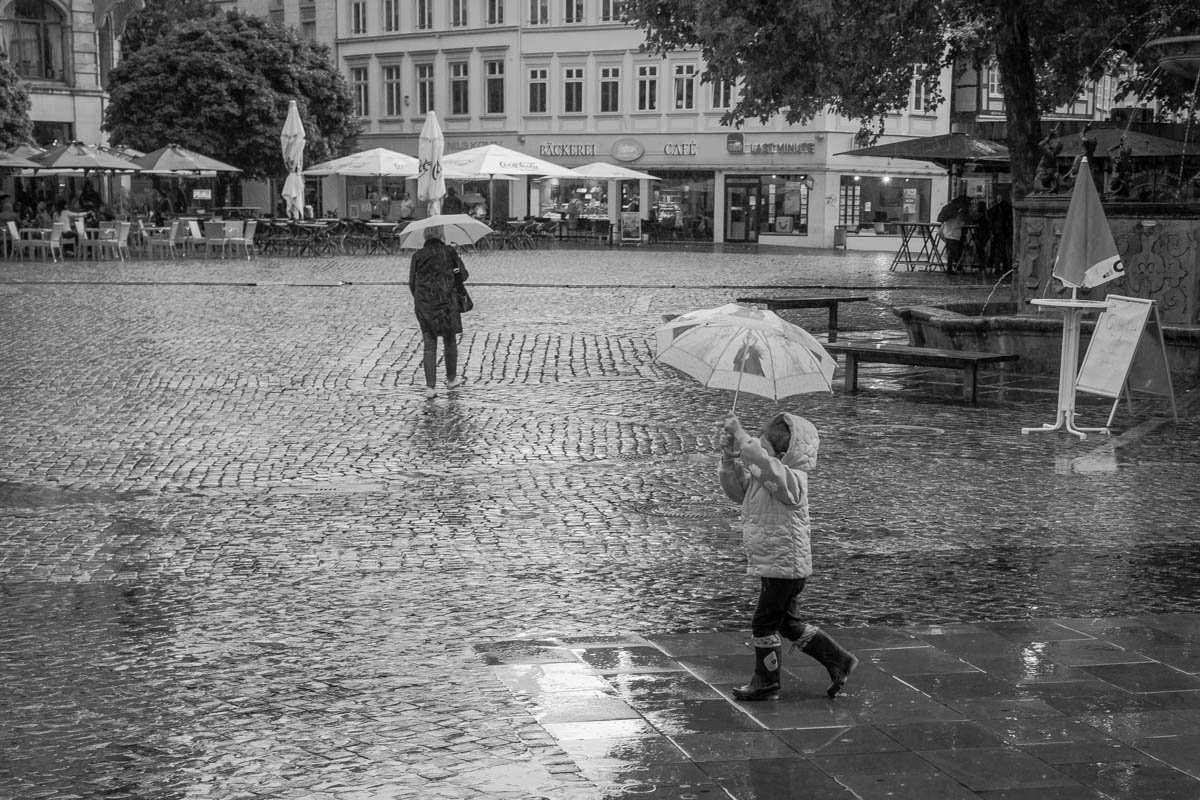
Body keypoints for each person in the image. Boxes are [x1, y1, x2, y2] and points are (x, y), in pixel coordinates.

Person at [718, 413, 858, 702]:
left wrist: (741, 436)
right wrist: (730, 460)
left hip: (786, 566)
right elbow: (738, 491)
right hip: (776, 564)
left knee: (763, 623)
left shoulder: (791, 479)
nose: (757, 453)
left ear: (782, 456)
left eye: (764, 448)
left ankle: (767, 681)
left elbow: (767, 470)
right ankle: (839, 660)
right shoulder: (769, 476)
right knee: (787, 623)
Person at [409, 225, 467, 399]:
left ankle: (430, 387)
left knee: (429, 343)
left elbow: (412, 283)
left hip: (425, 304)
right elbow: (463, 276)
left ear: (425, 235)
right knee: (449, 340)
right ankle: (451, 379)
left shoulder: (418, 255)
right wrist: (458, 262)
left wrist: (422, 299)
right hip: (447, 302)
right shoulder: (449, 252)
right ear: (442, 234)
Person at [937, 194, 970, 272]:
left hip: (949, 233)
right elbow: (959, 224)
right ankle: (952, 268)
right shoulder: (956, 212)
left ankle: (951, 267)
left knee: (951, 252)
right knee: (953, 252)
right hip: (953, 233)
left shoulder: (950, 209)